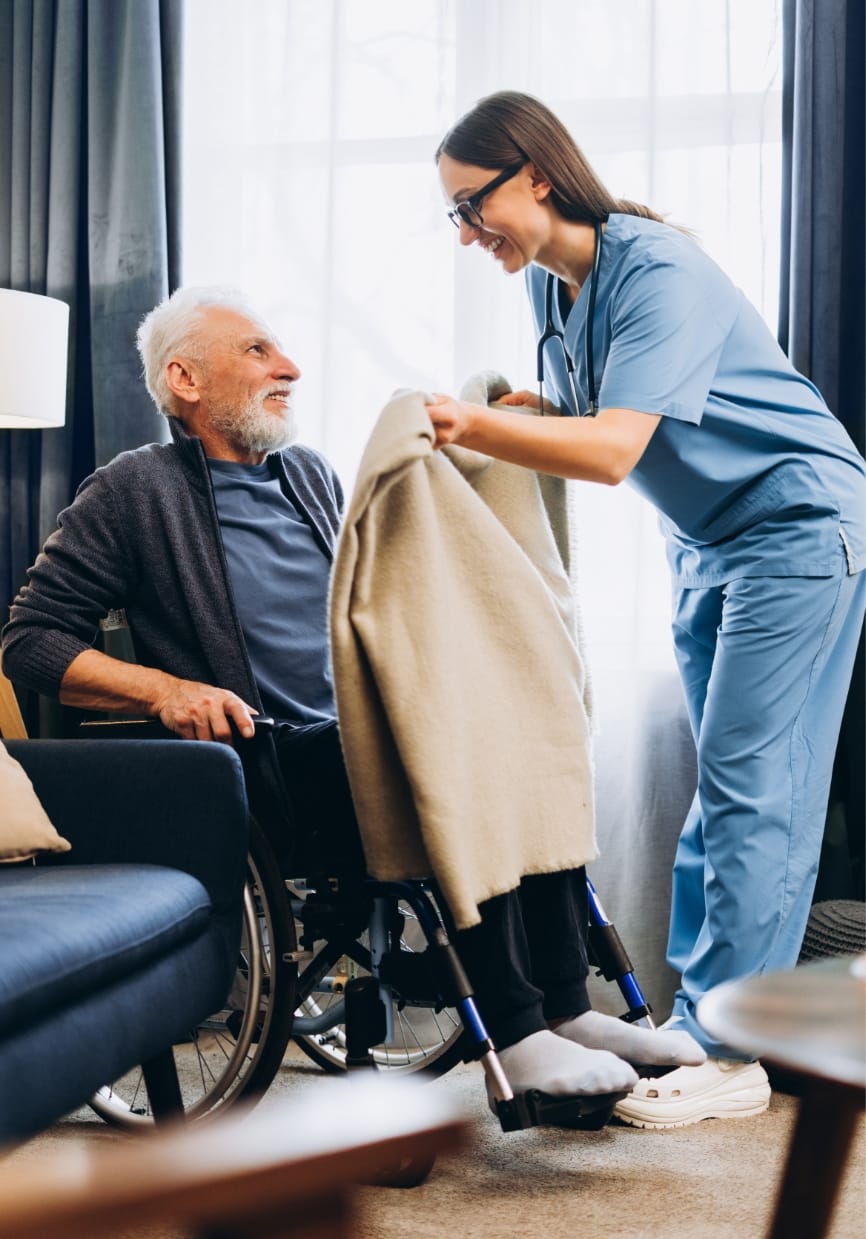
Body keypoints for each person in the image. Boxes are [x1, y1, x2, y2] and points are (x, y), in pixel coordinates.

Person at [1, 284, 704, 1120]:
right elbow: (32, 639)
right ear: (184, 380)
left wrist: (491, 446)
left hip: (370, 724)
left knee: (521, 721)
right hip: (272, 755)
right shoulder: (130, 492)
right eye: (258, 352)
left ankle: (565, 1005)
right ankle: (515, 1028)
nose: (289, 367)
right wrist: (166, 690)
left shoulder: (309, 476)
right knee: (444, 747)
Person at [426, 91, 866, 1128]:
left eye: (470, 204)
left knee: (755, 791)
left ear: (534, 173)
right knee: (719, 790)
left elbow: (616, 448)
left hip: (794, 526)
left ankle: (729, 1050)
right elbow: (590, 411)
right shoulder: (552, 286)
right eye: (450, 215)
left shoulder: (655, 267)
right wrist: (526, 411)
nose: (465, 231)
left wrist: (477, 429)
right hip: (709, 541)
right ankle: (700, 1024)